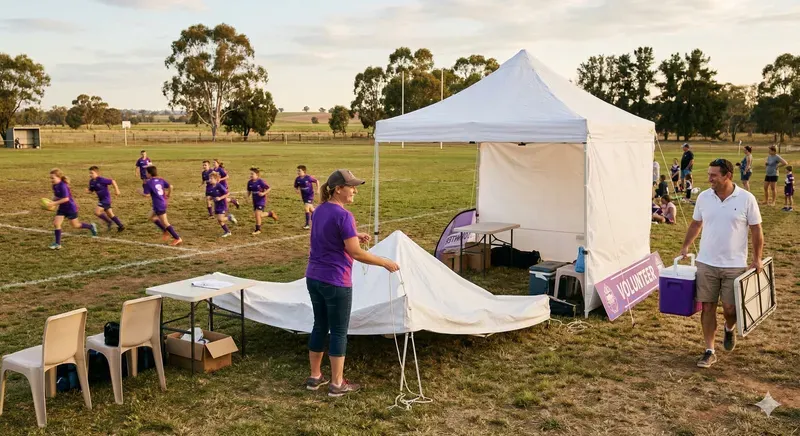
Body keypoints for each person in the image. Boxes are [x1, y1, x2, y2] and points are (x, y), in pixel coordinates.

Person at [305, 169, 399, 397]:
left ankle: (315, 377)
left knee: (319, 325)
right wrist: (384, 262)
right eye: (352, 186)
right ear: (339, 189)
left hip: (314, 277)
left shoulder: (319, 210)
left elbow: (331, 236)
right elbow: (356, 254)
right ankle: (337, 384)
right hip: (336, 281)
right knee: (338, 331)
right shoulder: (344, 216)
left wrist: (355, 234)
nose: (355, 190)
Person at [680, 158, 763, 369]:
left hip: (734, 264)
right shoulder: (704, 197)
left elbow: (756, 230)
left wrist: (757, 258)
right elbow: (696, 223)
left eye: (714, 175)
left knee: (730, 309)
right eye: (709, 174)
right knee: (707, 306)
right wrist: (685, 246)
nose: (709, 179)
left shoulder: (746, 199)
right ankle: (709, 350)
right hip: (706, 262)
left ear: (727, 176)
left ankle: (728, 328)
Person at [47, 169, 98, 249]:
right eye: (50, 178)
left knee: (76, 225)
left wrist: (54, 203)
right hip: (62, 208)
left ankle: (90, 226)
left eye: (53, 178)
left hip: (70, 208)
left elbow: (66, 199)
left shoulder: (63, 185)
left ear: (59, 177)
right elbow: (57, 196)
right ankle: (57, 244)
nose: (51, 180)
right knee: (56, 223)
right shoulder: (54, 185)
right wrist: (50, 201)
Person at [141, 166, 182, 246]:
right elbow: (171, 186)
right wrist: (169, 194)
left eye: (146, 172)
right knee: (150, 216)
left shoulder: (149, 182)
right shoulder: (160, 179)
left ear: (149, 173)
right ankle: (165, 231)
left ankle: (177, 238)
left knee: (165, 223)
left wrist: (140, 192)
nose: (145, 174)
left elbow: (146, 195)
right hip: (161, 202)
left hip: (158, 204)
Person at [87, 166, 124, 232]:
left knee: (97, 212)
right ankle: (120, 226)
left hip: (106, 199)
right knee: (110, 214)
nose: (90, 175)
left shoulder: (101, 179)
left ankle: (109, 222)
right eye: (89, 173)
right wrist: (88, 191)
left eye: (92, 173)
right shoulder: (91, 182)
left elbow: (113, 181)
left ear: (97, 173)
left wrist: (117, 190)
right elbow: (91, 190)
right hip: (101, 200)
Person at [247, 167, 277, 235]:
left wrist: (263, 193)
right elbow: (249, 191)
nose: (251, 175)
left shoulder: (260, 181)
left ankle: (258, 229)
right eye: (250, 174)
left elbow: (269, 188)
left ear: (257, 175)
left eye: (252, 174)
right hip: (255, 201)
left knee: (257, 214)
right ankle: (270, 214)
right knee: (259, 215)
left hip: (261, 200)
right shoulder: (249, 182)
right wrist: (247, 197)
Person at [208, 172, 232, 238]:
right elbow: (213, 195)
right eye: (209, 178)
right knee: (219, 220)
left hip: (222, 205)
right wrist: (210, 198)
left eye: (211, 178)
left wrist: (220, 198)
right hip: (217, 205)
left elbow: (227, 194)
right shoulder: (211, 187)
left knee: (221, 219)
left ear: (216, 179)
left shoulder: (219, 186)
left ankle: (229, 217)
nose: (210, 179)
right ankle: (227, 231)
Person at [294, 165, 319, 230]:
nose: (298, 172)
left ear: (304, 171)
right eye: (297, 171)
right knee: (311, 209)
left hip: (310, 195)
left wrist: (318, 189)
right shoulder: (297, 179)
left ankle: (307, 224)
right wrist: (296, 190)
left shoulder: (308, 178)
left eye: (299, 171)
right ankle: (320, 217)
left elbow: (317, 181)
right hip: (304, 196)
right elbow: (296, 186)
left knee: (306, 208)